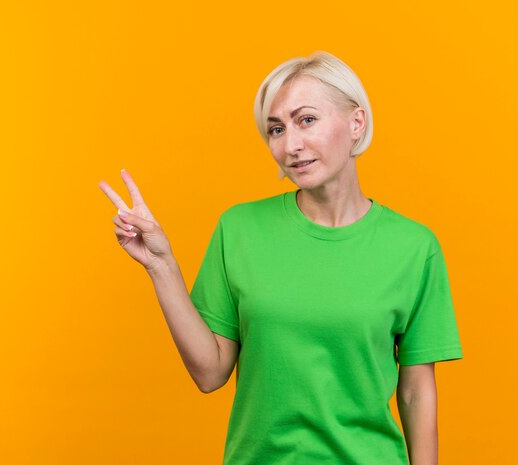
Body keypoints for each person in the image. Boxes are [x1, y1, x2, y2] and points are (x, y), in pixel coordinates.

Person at [98, 50, 463, 465]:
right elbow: (209, 373)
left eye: (307, 120)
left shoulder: (413, 247)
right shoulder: (240, 229)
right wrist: (160, 264)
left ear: (356, 122)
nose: (290, 145)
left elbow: (416, 391)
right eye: (275, 129)